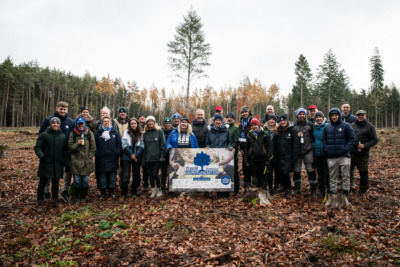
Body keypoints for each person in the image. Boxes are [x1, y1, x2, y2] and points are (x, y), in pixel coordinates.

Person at [39, 101, 74, 201]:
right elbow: (41, 134)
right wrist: (44, 150)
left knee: (67, 171)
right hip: (50, 152)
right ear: (57, 108)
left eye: (64, 109)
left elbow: (73, 136)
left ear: (67, 110)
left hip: (65, 152)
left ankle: (64, 191)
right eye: (61, 109)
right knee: (48, 172)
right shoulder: (48, 120)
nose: (62, 111)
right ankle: (47, 191)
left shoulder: (70, 122)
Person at [322, 108, 355, 209]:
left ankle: (345, 194)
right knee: (332, 176)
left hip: (344, 156)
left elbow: (352, 139)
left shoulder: (346, 126)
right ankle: (332, 193)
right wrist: (327, 149)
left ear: (339, 115)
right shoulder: (327, 127)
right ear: (330, 117)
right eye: (332, 115)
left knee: (345, 175)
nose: (334, 117)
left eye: (336, 115)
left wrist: (345, 149)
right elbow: (324, 139)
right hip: (331, 156)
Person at [34, 117, 68, 211]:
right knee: (42, 183)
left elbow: (65, 151)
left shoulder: (62, 136)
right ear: (50, 124)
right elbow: (37, 147)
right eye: (54, 123)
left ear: (59, 124)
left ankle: (55, 201)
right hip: (46, 162)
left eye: (57, 123)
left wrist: (66, 163)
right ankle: (40, 202)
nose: (55, 124)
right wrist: (41, 155)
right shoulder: (44, 135)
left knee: (55, 183)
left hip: (58, 163)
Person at [68, 117, 96, 204]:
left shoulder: (89, 133)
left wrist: (90, 156)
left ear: (85, 124)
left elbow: (93, 146)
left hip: (86, 161)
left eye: (82, 124)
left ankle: (83, 197)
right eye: (79, 124)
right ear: (76, 125)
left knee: (85, 181)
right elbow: (70, 147)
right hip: (76, 161)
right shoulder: (73, 134)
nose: (80, 126)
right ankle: (77, 197)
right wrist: (77, 143)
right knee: (77, 181)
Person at [350, 110, 378, 194]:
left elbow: (374, 140)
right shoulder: (352, 125)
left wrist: (365, 145)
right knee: (348, 171)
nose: (360, 116)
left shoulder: (370, 126)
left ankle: (363, 189)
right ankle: (350, 186)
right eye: (358, 115)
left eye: (362, 115)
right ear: (356, 116)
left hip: (363, 154)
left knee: (363, 172)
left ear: (365, 116)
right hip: (352, 153)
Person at [206, 113, 233, 198]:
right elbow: (207, 143)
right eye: (216, 120)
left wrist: (229, 148)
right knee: (216, 173)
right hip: (214, 155)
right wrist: (208, 148)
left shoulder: (226, 130)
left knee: (224, 173)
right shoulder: (210, 131)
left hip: (224, 154)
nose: (218, 121)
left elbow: (229, 142)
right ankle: (217, 192)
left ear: (221, 121)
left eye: (219, 120)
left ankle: (224, 193)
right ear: (214, 121)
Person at [95, 116, 121, 199]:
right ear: (102, 123)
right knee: (102, 176)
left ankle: (111, 192)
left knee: (112, 176)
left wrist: (117, 152)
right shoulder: (97, 133)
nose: (106, 122)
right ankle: (103, 193)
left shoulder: (115, 132)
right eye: (105, 121)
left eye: (108, 121)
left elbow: (119, 143)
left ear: (110, 122)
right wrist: (97, 153)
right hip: (101, 158)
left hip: (112, 157)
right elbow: (94, 144)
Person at [273, 114, 299, 198]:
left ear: (287, 121)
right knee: (281, 173)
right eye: (281, 121)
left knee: (285, 173)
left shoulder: (292, 131)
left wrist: (294, 159)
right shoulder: (277, 132)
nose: (282, 122)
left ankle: (289, 190)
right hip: (279, 157)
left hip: (289, 157)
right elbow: (274, 145)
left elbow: (296, 145)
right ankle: (284, 188)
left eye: (284, 120)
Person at [244, 116, 273, 190]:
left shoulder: (265, 134)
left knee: (263, 176)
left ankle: (263, 191)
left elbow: (270, 146)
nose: (254, 127)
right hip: (252, 159)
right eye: (252, 125)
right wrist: (246, 159)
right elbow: (246, 148)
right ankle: (255, 193)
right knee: (254, 177)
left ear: (258, 125)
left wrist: (269, 158)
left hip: (263, 159)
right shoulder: (249, 135)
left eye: (255, 125)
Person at [293, 108, 316, 195]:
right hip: (297, 152)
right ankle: (297, 189)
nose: (302, 115)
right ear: (297, 115)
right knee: (297, 170)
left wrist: (312, 148)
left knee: (310, 170)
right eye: (300, 114)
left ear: (305, 115)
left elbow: (313, 138)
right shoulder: (293, 125)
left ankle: (313, 189)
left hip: (308, 151)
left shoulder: (310, 124)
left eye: (303, 114)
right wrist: (296, 135)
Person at [142, 116, 166, 198]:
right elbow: (143, 147)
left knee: (155, 174)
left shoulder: (159, 131)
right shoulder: (145, 134)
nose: (150, 123)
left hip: (157, 158)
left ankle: (159, 190)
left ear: (154, 122)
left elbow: (163, 144)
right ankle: (153, 191)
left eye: (152, 121)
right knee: (150, 175)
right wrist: (144, 159)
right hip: (148, 158)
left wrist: (162, 155)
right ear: (146, 123)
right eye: (149, 121)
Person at [121, 117, 144, 199]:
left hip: (137, 157)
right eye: (132, 124)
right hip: (126, 156)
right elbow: (124, 144)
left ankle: (134, 191)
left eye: (135, 123)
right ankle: (124, 193)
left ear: (137, 124)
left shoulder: (141, 134)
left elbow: (142, 145)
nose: (133, 125)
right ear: (129, 125)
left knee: (136, 175)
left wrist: (136, 155)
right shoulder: (126, 133)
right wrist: (131, 154)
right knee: (126, 175)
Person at [313, 111, 329, 199]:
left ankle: (329, 190)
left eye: (320, 117)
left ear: (323, 118)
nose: (318, 119)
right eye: (317, 117)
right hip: (317, 153)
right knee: (320, 173)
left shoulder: (327, 126)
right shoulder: (313, 127)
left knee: (327, 172)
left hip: (326, 153)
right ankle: (321, 191)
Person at [264, 114, 280, 193]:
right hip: (267, 153)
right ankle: (270, 186)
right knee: (268, 172)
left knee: (277, 172)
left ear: (275, 121)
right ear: (268, 120)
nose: (271, 121)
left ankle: (276, 187)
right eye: (270, 119)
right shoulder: (264, 129)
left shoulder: (278, 129)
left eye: (273, 119)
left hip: (277, 153)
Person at [238, 105, 253, 189]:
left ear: (248, 113)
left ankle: (254, 186)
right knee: (245, 169)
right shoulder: (240, 125)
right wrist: (241, 149)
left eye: (246, 112)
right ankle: (247, 188)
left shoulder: (252, 122)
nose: (244, 114)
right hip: (244, 150)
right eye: (243, 112)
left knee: (253, 169)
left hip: (253, 149)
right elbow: (239, 138)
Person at [226, 112, 240, 193]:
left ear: (233, 119)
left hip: (233, 153)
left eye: (231, 117)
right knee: (227, 170)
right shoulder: (224, 127)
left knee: (234, 171)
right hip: (224, 153)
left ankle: (236, 188)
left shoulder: (236, 128)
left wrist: (231, 148)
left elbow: (236, 141)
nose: (229, 118)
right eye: (228, 117)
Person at [160, 117, 175, 189]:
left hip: (171, 154)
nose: (168, 125)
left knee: (171, 170)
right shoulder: (161, 131)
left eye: (169, 123)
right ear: (164, 124)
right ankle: (163, 185)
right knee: (163, 170)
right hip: (163, 154)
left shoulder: (174, 131)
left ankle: (170, 185)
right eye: (166, 123)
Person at [138, 112, 148, 189]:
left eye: (143, 117)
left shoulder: (147, 126)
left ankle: (145, 184)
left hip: (146, 150)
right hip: (137, 149)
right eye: (140, 117)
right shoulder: (136, 126)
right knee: (136, 168)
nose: (142, 118)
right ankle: (137, 183)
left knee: (145, 168)